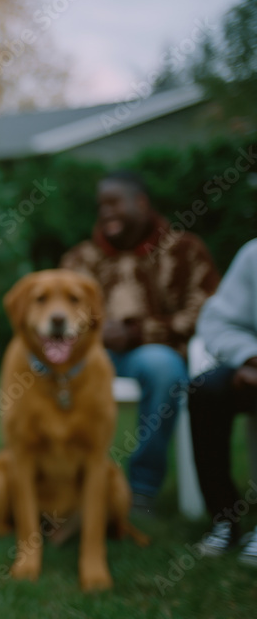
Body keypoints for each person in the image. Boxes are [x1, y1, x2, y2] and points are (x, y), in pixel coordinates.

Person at [60, 170, 220, 513]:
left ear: (141, 203)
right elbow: (58, 313)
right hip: (91, 355)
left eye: (114, 203)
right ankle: (62, 482)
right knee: (45, 362)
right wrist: (92, 332)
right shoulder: (80, 259)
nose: (106, 213)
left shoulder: (184, 250)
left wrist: (137, 333)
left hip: (151, 355)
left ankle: (141, 489)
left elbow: (204, 312)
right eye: (101, 205)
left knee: (161, 366)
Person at [189, 238, 257, 565]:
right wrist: (248, 356)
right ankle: (225, 518)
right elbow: (217, 322)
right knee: (207, 390)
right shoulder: (253, 255)